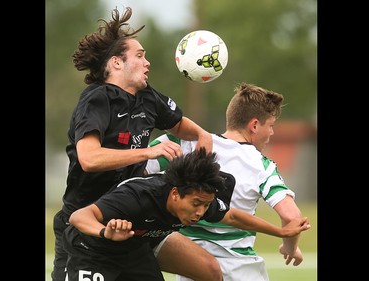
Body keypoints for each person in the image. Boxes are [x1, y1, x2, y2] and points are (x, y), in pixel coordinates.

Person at [51, 7, 213, 281]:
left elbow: (185, 126)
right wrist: (149, 151)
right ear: (116, 63)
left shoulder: (148, 97)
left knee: (209, 271)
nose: (147, 62)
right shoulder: (97, 99)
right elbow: (89, 159)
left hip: (134, 220)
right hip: (85, 224)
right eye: (140, 56)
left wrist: (203, 138)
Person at [64, 148, 310, 281]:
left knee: (211, 272)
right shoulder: (136, 197)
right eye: (196, 204)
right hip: (93, 249)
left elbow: (233, 217)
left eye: (206, 205)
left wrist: (280, 232)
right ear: (174, 194)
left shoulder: (199, 200)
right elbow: (78, 217)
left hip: (135, 248)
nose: (200, 212)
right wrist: (104, 231)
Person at [145, 82, 307, 281]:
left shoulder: (185, 142)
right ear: (254, 125)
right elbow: (292, 216)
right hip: (240, 269)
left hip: (190, 266)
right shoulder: (261, 165)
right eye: (271, 126)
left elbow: (135, 172)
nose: (272, 133)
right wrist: (290, 247)